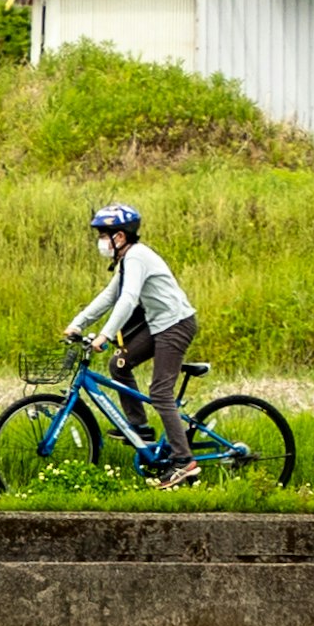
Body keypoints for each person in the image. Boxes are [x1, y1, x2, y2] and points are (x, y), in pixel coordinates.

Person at [67, 201, 198, 471]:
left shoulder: (137, 256)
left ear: (120, 236)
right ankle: (140, 428)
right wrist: (76, 324)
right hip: (157, 323)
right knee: (119, 364)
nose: (101, 242)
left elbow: (128, 299)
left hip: (176, 324)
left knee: (160, 392)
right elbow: (109, 296)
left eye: (104, 236)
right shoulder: (126, 260)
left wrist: (103, 335)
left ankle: (184, 460)